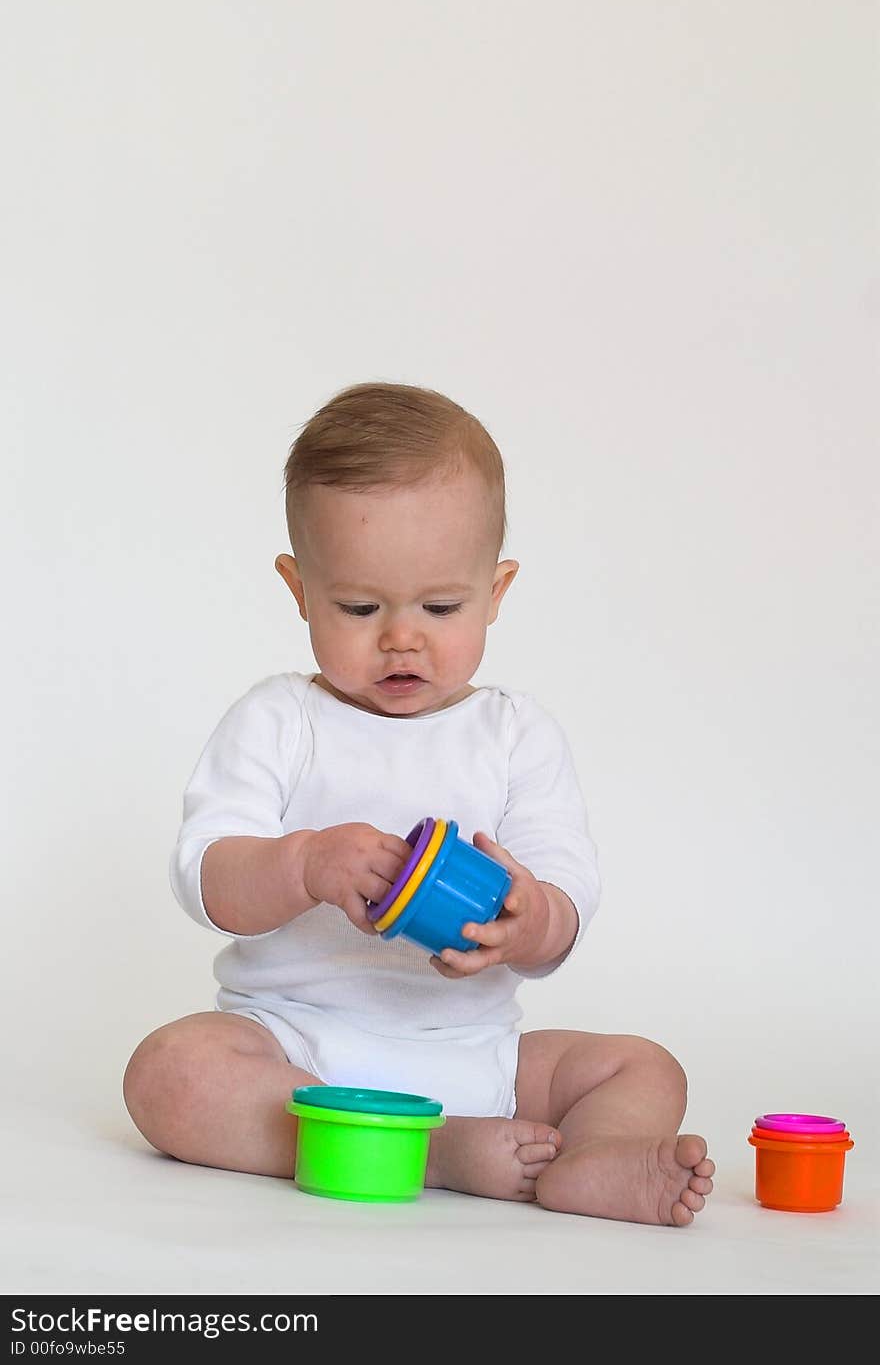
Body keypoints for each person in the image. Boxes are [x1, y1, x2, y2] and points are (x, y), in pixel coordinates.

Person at [123, 381, 715, 1226]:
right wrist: (304, 862)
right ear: (299, 590)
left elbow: (567, 885)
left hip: (479, 1053)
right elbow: (205, 874)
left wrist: (530, 915)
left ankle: (587, 1163)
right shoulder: (279, 719)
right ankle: (437, 1152)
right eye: (359, 607)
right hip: (300, 1053)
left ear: (497, 590)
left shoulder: (514, 733)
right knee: (170, 1070)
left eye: (441, 606)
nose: (402, 636)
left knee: (646, 1067)